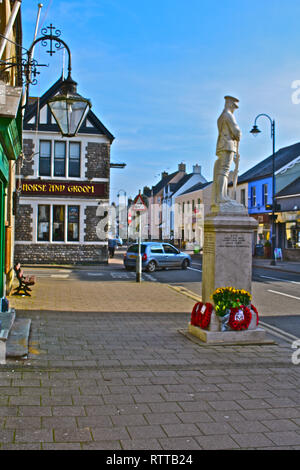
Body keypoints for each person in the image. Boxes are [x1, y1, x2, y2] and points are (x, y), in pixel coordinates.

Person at [211, 95, 243, 210]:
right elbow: (236, 130)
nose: (234, 109)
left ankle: (222, 195)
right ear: (230, 104)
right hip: (227, 145)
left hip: (222, 145)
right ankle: (221, 196)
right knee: (224, 171)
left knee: (222, 170)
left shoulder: (221, 117)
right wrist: (239, 134)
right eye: (234, 106)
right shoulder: (228, 115)